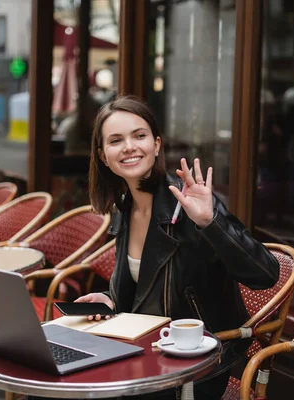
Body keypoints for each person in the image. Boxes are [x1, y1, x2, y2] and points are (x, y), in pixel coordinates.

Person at [75, 95, 279, 399]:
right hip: (141, 351)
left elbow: (265, 274)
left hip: (193, 362)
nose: (129, 146)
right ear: (104, 156)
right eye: (116, 140)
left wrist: (211, 223)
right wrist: (109, 300)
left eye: (139, 136)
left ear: (156, 145)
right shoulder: (124, 208)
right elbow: (145, 287)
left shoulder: (189, 203)